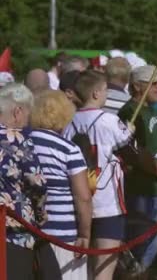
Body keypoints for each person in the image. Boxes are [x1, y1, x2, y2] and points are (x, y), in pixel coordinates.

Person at [63, 70, 133, 280]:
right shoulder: (109, 120)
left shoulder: (68, 122)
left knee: (79, 269)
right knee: (104, 269)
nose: (106, 95)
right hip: (107, 202)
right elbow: (126, 141)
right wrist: (129, 128)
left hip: (77, 201)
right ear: (95, 93)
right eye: (104, 91)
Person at [118, 65, 157, 274]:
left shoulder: (152, 111)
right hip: (142, 188)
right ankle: (135, 274)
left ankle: (140, 272)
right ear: (137, 86)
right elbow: (131, 149)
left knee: (155, 237)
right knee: (142, 239)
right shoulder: (129, 111)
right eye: (154, 83)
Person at [30, 90, 92, 280]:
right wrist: (85, 234)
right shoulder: (69, 149)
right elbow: (83, 196)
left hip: (29, 233)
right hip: (62, 235)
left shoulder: (23, 141)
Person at [0, 83, 48, 279]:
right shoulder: (17, 139)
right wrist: (40, 213)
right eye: (28, 116)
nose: (28, 122)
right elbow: (37, 183)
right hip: (14, 232)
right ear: (18, 111)